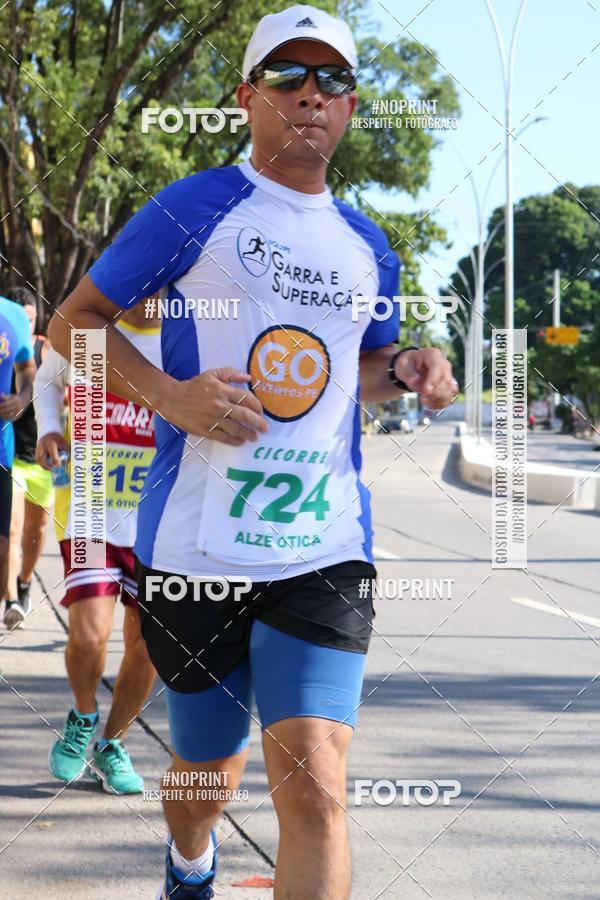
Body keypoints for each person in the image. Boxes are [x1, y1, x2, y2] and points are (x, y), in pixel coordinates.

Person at [48, 5, 457, 897]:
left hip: (323, 548)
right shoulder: (191, 206)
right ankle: (190, 864)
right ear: (247, 96)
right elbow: (70, 326)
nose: (311, 94)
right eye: (288, 76)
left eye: (332, 81)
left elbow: (361, 374)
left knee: (317, 786)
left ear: (351, 107)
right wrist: (170, 396)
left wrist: (414, 367)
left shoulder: (369, 247)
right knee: (207, 783)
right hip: (195, 554)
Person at [36, 300, 160, 794]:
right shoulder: (89, 329)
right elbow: (48, 379)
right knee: (89, 635)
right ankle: (83, 717)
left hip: (157, 519)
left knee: (148, 649)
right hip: (89, 508)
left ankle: (112, 744)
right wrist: (48, 428)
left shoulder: (183, 340)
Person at [3, 287, 53, 629]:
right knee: (15, 525)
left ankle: (23, 584)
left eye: (32, 317)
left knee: (36, 529)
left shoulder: (49, 349)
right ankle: (12, 600)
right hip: (14, 456)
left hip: (39, 455)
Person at [0, 294, 35, 616]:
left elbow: (26, 367)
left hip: (2, 451)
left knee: (3, 547)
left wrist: (21, 399)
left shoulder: (13, 315)